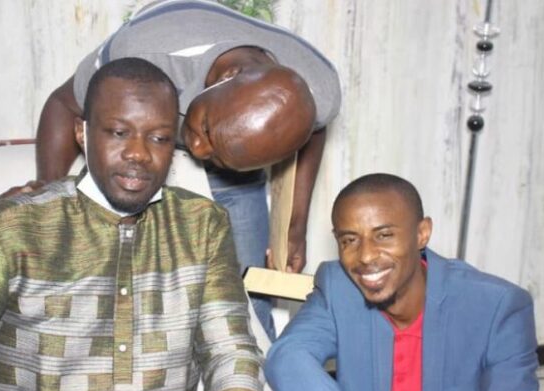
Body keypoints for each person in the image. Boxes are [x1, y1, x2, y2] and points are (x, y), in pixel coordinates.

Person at [0, 58, 263, 391]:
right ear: (82, 133)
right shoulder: (8, 229)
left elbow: (230, 355)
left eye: (159, 138)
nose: (139, 153)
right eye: (119, 132)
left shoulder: (202, 226)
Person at [33, 0, 342, 339]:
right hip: (144, 144)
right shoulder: (145, 54)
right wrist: (50, 201)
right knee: (136, 289)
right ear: (226, 77)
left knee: (247, 300)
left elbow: (313, 128)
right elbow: (63, 104)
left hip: (233, 164)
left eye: (217, 156)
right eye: (205, 130)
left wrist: (295, 225)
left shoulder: (319, 88)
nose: (196, 150)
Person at [265, 173, 539, 391]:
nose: (366, 256)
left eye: (384, 235)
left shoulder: (497, 308)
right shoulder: (339, 287)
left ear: (422, 234)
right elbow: (289, 355)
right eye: (349, 240)